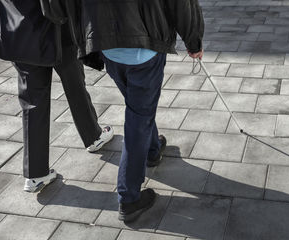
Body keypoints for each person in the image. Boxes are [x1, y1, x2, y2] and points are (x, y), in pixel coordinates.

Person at [74, 0, 204, 222]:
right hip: (143, 47)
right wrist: (193, 42)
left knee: (138, 109)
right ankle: (129, 197)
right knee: (138, 118)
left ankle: (153, 150)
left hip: (108, 45)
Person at [9, 5, 115, 193]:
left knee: (33, 101)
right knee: (74, 81)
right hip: (56, 27)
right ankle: (93, 136)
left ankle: (35, 174)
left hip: (20, 31)